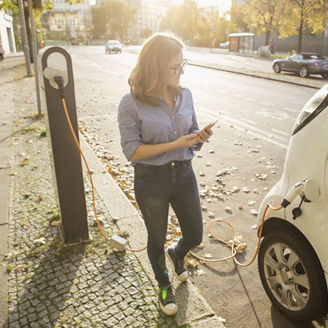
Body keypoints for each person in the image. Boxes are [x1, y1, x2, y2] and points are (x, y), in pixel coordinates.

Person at [117, 33, 214, 316]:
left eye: (184, 65)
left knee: (195, 234)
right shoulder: (131, 102)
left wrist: (199, 137)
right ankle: (163, 284)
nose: (181, 72)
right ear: (155, 66)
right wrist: (175, 144)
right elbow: (132, 151)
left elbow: (191, 134)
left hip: (184, 174)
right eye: (175, 66)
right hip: (151, 180)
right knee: (156, 238)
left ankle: (178, 254)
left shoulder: (186, 95)